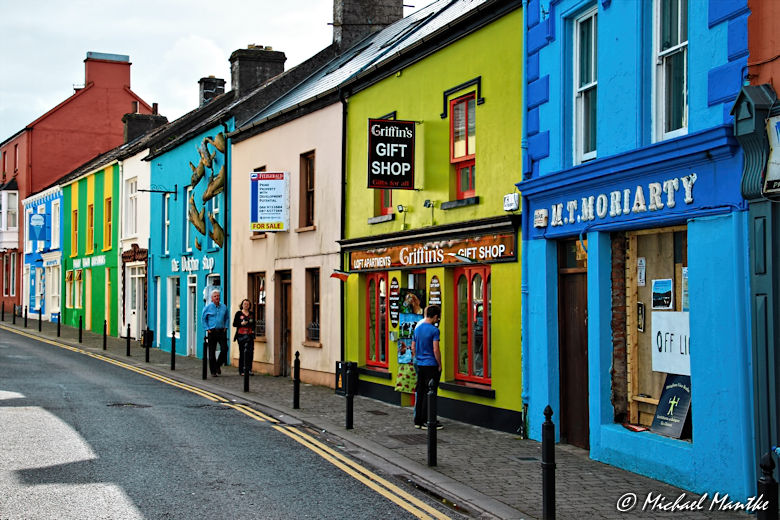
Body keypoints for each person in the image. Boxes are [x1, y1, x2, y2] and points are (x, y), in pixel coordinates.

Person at [411, 305, 443, 430]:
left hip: (420, 364)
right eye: (437, 317)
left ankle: (418, 420)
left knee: (421, 392)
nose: (437, 319)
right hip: (431, 365)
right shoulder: (434, 330)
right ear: (435, 316)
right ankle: (428, 420)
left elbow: (413, 347)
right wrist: (439, 364)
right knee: (430, 393)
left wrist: (418, 358)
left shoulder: (417, 329)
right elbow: (436, 349)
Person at [202, 289, 229, 377]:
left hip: (221, 331)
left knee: (225, 349)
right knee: (212, 352)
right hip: (212, 331)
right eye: (215, 296)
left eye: (218, 296)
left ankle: (218, 365)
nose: (217, 297)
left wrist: (226, 326)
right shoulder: (208, 307)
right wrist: (207, 329)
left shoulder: (224, 307)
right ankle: (213, 371)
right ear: (211, 298)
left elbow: (227, 317)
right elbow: (203, 319)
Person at [233, 298, 256, 376]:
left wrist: (253, 330)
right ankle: (241, 370)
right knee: (242, 352)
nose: (246, 305)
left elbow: (254, 324)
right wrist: (241, 324)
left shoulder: (252, 314)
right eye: (244, 304)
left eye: (247, 304)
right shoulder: (238, 313)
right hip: (241, 335)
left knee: (250, 353)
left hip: (249, 335)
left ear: (249, 306)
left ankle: (249, 369)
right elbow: (234, 324)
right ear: (242, 305)